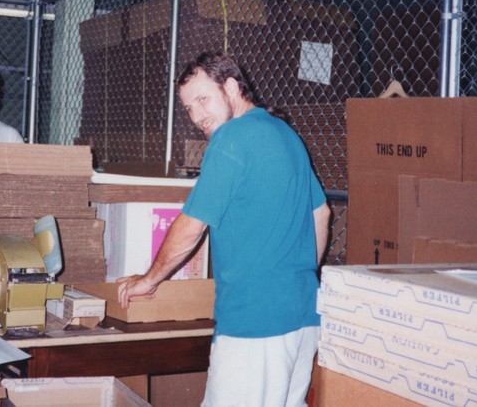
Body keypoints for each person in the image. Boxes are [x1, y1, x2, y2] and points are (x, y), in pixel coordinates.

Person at [117, 51, 330, 407]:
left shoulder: (231, 138)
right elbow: (321, 214)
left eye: (203, 99)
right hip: (305, 314)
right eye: (188, 107)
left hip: (253, 320)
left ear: (231, 87)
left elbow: (191, 225)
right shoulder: (287, 134)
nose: (197, 116)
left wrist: (149, 279)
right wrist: (301, 273)